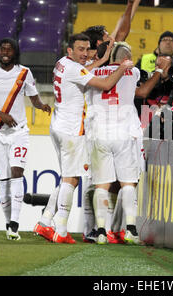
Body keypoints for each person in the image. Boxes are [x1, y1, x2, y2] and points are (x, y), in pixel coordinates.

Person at [33, 33, 134, 244]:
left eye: (87, 49)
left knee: (67, 177)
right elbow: (106, 84)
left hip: (58, 126)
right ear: (70, 50)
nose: (85, 54)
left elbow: (84, 70)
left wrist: (102, 59)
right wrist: (122, 68)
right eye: (80, 49)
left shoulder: (62, 63)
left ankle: (45, 221)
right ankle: (60, 229)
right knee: (71, 179)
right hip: (72, 130)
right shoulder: (73, 68)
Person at [0, 37, 51, 240]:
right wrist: (2, 115)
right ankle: (8, 222)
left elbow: (33, 97)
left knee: (17, 172)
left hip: (19, 132)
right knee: (3, 179)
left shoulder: (24, 73)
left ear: (15, 52)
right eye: (2, 48)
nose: (5, 52)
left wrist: (41, 105)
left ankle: (15, 224)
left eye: (9, 49)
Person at [88, 42, 142, 245]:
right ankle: (130, 230)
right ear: (127, 57)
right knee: (128, 183)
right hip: (123, 133)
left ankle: (101, 231)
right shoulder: (133, 72)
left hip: (99, 133)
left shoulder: (93, 72)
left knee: (102, 185)